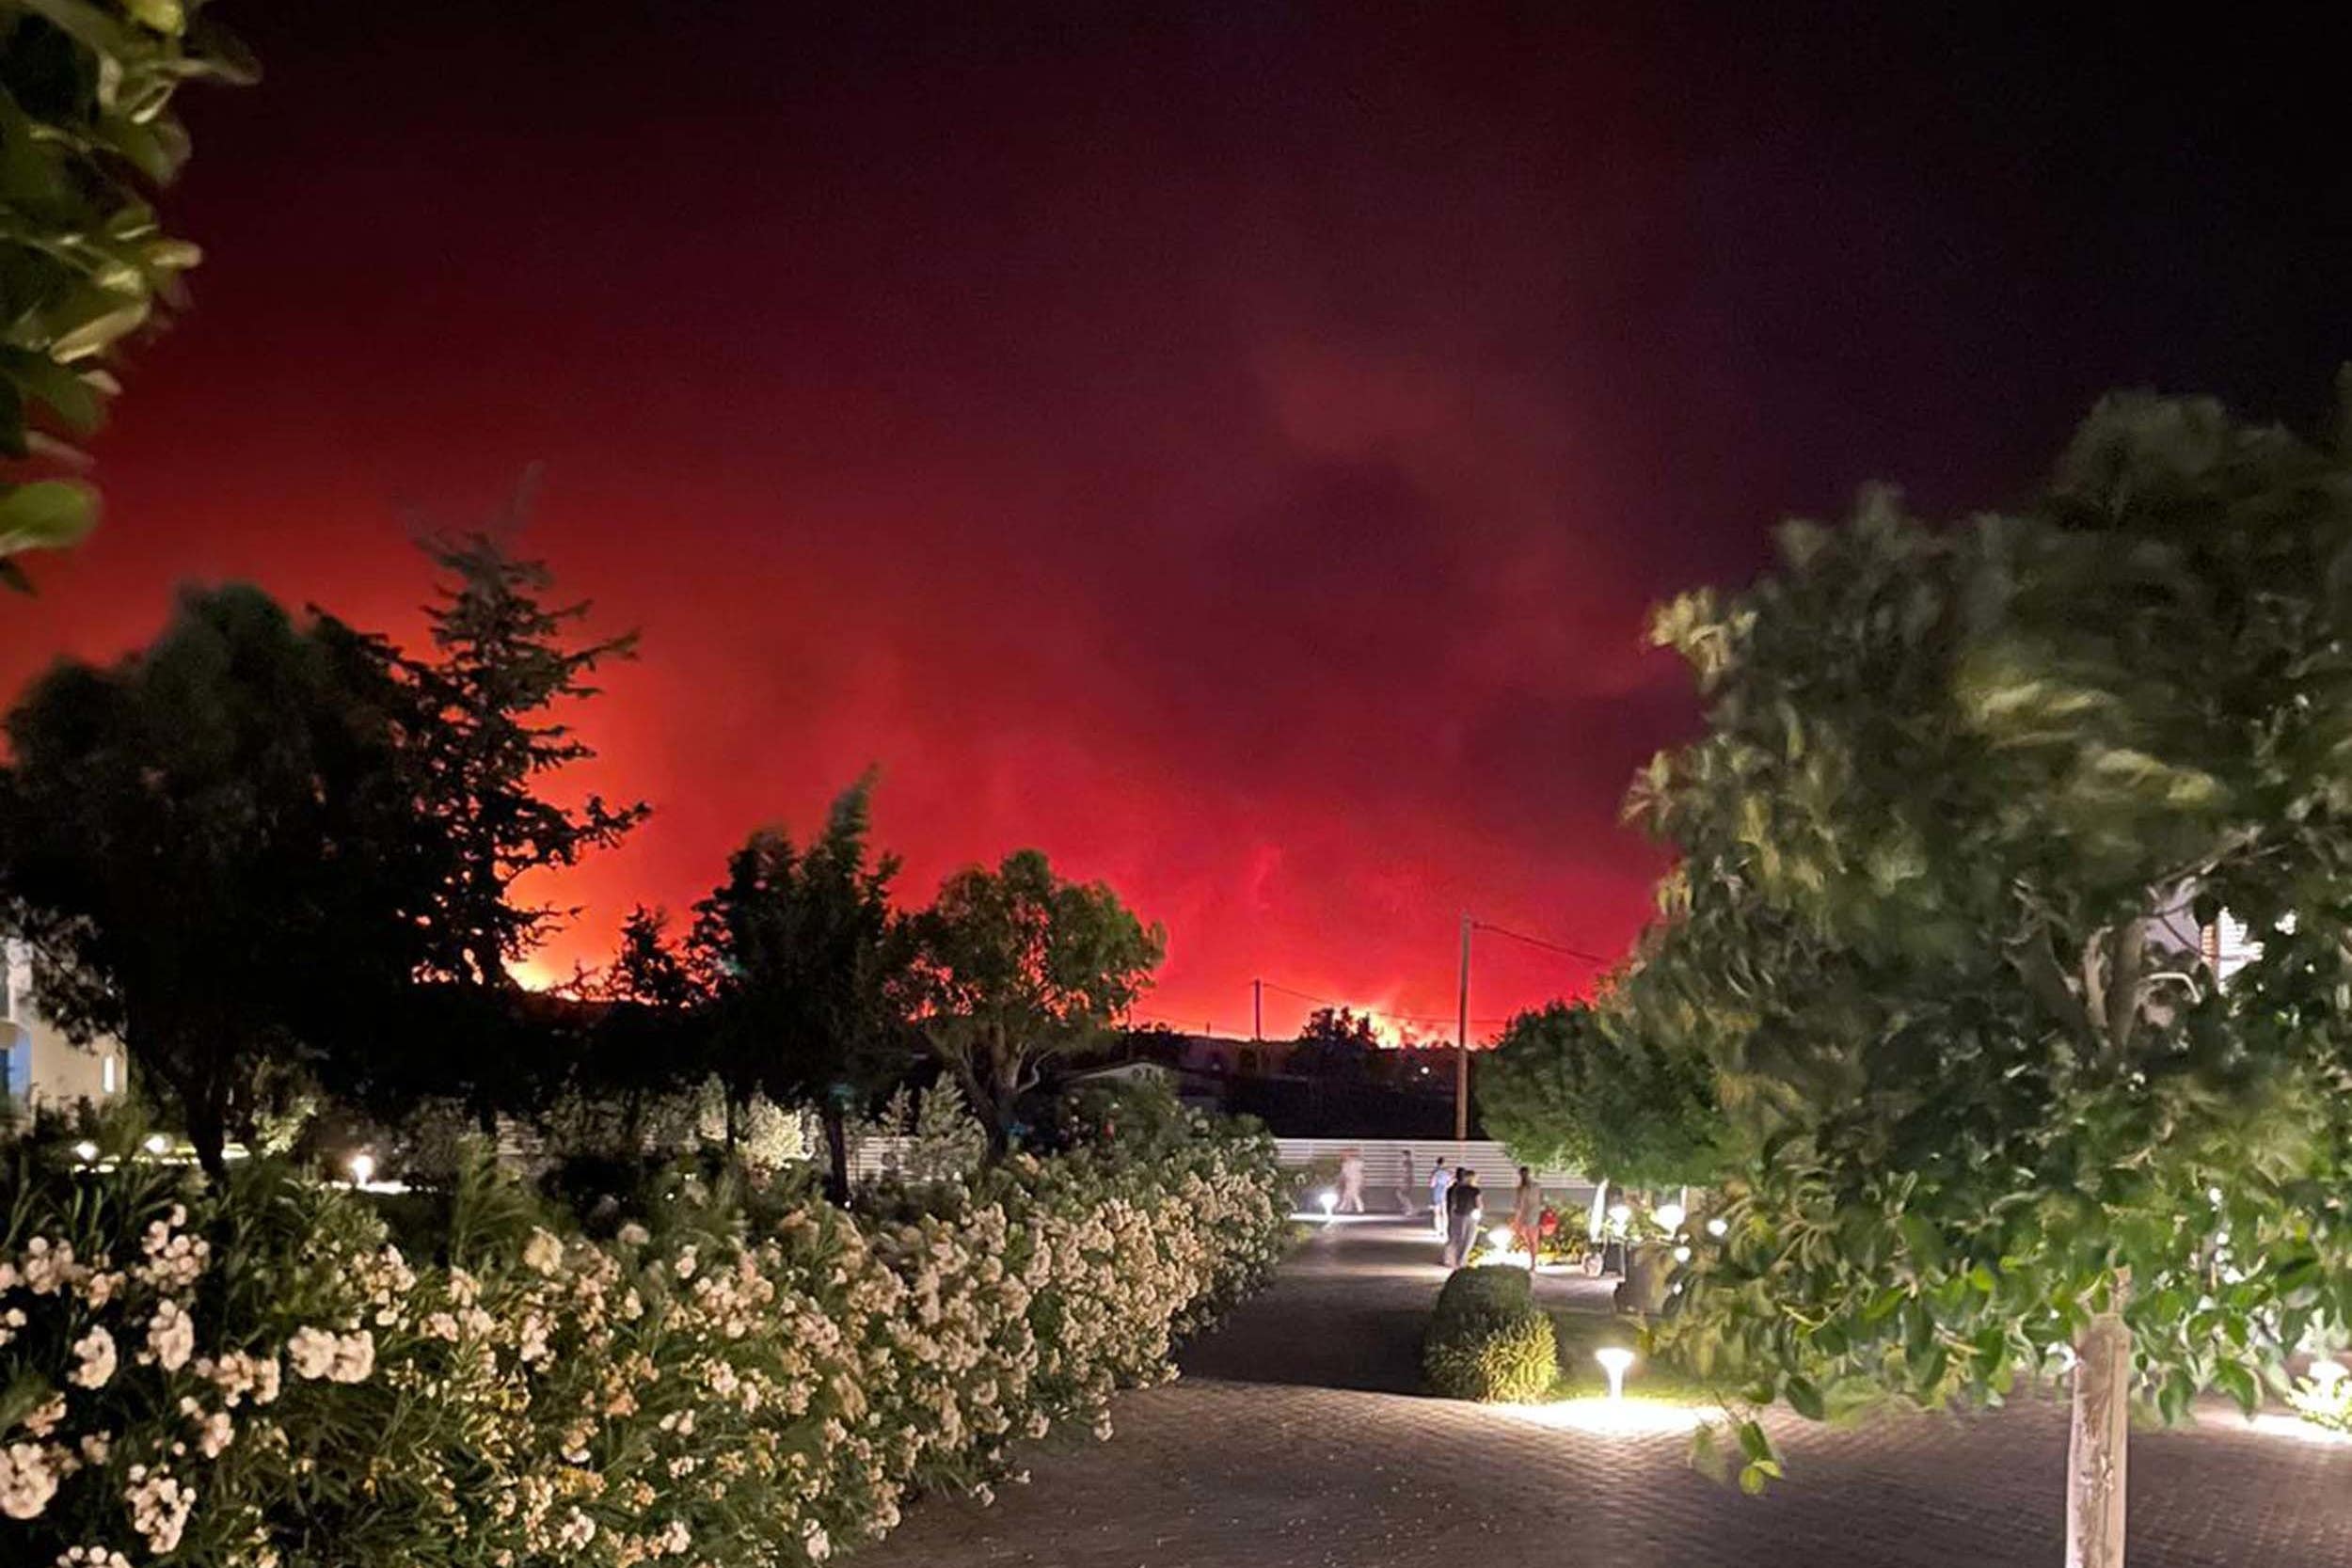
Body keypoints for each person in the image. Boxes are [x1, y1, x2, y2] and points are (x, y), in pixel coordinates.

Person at [1443, 1165, 1482, 1268]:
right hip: (1470, 1217)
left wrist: (1451, 1215)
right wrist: (1479, 1214)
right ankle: (1461, 1261)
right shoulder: (1475, 1190)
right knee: (1469, 1239)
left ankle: (1455, 1261)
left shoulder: (1458, 1189)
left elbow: (1453, 1203)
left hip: (1458, 1215)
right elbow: (1479, 1205)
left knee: (1458, 1238)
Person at [1512, 1166, 1542, 1270]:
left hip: (1526, 1216)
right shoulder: (1536, 1186)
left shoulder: (1521, 1189)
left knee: (1529, 1240)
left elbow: (1520, 1205)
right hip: (1535, 1215)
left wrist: (1516, 1220)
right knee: (1534, 1240)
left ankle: (1533, 1263)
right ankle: (1533, 1262)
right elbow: (1540, 1200)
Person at [1428, 1160, 1454, 1241]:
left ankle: (1438, 1231)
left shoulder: (1435, 1173)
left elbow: (1432, 1184)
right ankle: (1445, 1231)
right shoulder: (1448, 1173)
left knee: (1437, 1214)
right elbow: (1450, 1183)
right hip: (1445, 1193)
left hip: (1437, 1193)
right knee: (1445, 1213)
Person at [1336, 1148, 1366, 1214]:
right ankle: (1345, 1208)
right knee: (1347, 1195)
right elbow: (1343, 1174)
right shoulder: (1345, 1164)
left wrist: (1361, 1182)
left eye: (1345, 1155)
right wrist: (1341, 1180)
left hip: (1355, 1181)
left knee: (1354, 1195)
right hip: (1349, 1181)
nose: (1343, 1156)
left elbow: (1360, 1174)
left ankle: (1360, 1209)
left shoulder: (1356, 1163)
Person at [1399, 1149, 1418, 1214]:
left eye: (1403, 1155)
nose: (1402, 1157)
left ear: (1407, 1156)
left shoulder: (1407, 1163)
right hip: (1407, 1180)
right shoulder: (1407, 1163)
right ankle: (1408, 1208)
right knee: (1403, 1194)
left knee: (1403, 1194)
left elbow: (1407, 1172)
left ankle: (1410, 1208)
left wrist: (1404, 1180)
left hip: (1407, 1180)